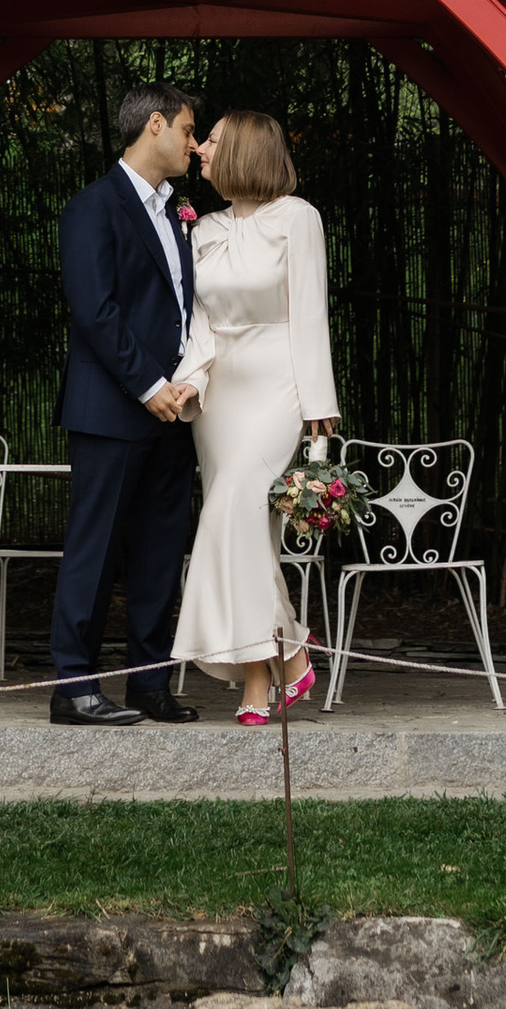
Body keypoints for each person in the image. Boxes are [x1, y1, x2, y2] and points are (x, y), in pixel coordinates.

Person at [44, 82, 206, 727]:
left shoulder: (177, 213)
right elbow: (95, 310)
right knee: (97, 547)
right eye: (190, 131)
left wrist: (186, 381)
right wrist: (149, 385)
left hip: (175, 410)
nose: (196, 146)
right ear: (156, 126)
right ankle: (74, 687)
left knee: (161, 550)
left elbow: (185, 309)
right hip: (114, 408)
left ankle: (149, 681)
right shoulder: (93, 207)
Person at [171, 108, 341, 725]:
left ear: (244, 148)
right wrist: (188, 383)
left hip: (277, 387)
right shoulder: (204, 227)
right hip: (219, 397)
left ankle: (290, 651)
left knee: (230, 516)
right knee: (245, 536)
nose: (200, 151)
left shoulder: (298, 219)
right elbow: (201, 324)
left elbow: (309, 310)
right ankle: (257, 684)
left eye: (211, 141)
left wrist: (319, 403)